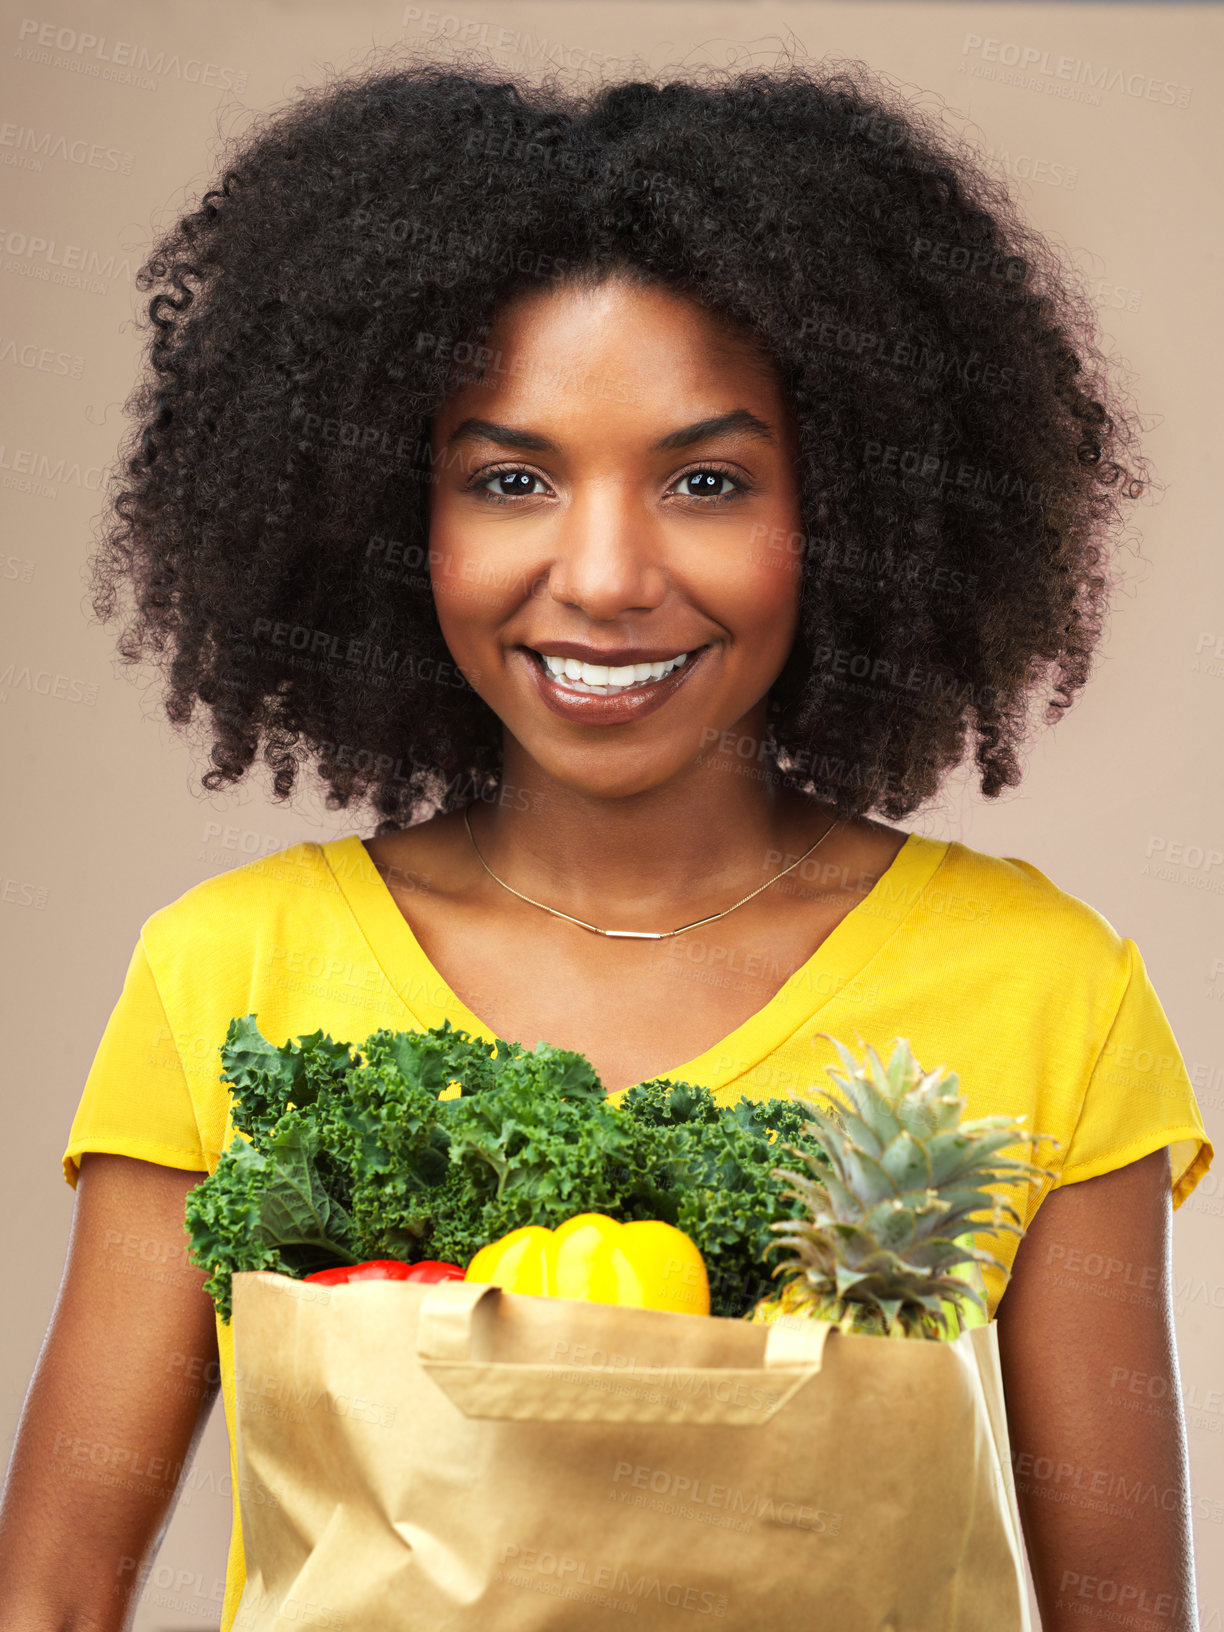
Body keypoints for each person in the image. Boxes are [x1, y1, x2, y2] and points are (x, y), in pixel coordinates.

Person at [0, 47, 1211, 1632]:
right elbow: (55, 1595)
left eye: (706, 480)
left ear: (841, 515)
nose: (607, 575)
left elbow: (1122, 1611)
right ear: (391, 518)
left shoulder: (1049, 991)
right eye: (512, 479)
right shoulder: (229, 972)